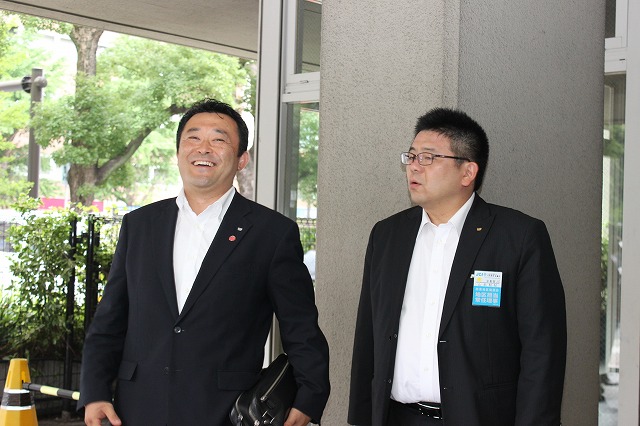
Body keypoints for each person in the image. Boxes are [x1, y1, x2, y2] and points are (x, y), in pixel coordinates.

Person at [78, 99, 330, 426]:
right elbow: (109, 320)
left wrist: (309, 399)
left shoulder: (272, 233)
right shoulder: (140, 225)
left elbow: (301, 327)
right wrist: (95, 392)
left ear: (241, 160)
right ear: (178, 152)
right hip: (138, 407)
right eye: (193, 138)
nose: (204, 148)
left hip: (224, 410)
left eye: (218, 139)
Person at [348, 107, 566, 426]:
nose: (414, 166)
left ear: (468, 173)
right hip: (397, 416)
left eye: (428, 157)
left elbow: (542, 350)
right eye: (411, 156)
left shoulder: (518, 237)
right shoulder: (387, 235)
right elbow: (368, 334)